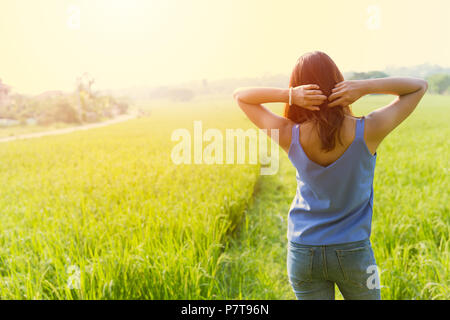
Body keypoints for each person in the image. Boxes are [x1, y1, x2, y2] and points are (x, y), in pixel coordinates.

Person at [232, 51, 428, 300]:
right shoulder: (368, 130)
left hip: (303, 252)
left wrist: (289, 95)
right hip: (354, 253)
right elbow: (419, 87)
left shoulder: (287, 133)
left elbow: (241, 97)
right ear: (339, 82)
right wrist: (365, 87)